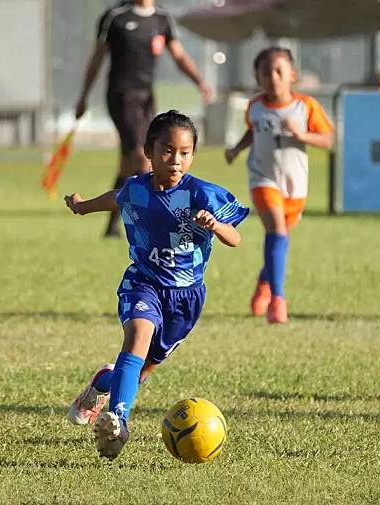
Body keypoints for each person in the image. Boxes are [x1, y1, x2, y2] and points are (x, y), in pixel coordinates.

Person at [64, 111, 249, 460]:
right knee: (136, 340)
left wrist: (215, 226)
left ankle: (101, 383)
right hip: (143, 283)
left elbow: (235, 238)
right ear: (149, 151)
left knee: (143, 368)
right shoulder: (137, 188)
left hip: (186, 297)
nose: (176, 160)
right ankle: (117, 421)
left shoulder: (203, 195)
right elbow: (116, 198)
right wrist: (82, 207)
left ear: (193, 154)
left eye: (184, 152)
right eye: (167, 150)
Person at [75, 0, 213, 238]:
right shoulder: (115, 16)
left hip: (148, 98)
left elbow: (179, 55)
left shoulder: (161, 18)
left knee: (129, 164)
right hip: (121, 97)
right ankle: (147, 224)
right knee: (143, 158)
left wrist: (200, 81)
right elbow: (97, 58)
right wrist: (83, 96)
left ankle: (111, 227)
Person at [224, 46, 334, 324]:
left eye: (278, 71)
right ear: (257, 77)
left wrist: (302, 135)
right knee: (277, 230)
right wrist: (237, 149)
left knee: (280, 240)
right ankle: (278, 301)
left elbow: (328, 140)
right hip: (263, 179)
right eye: (265, 72)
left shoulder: (305, 106)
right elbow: (253, 130)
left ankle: (264, 283)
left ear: (292, 75)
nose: (272, 77)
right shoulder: (255, 107)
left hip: (295, 186)